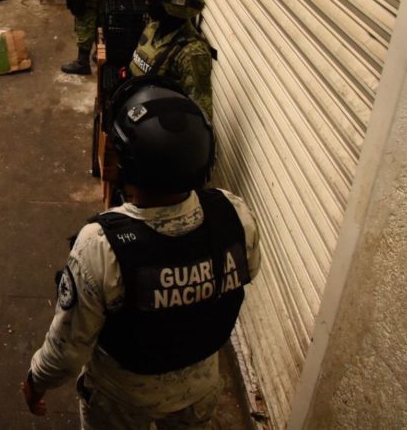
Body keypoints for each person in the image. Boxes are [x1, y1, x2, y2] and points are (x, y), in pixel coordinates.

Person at [22, 77, 260, 429]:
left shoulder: (100, 247)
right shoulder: (235, 214)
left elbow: (67, 351)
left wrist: (34, 383)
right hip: (199, 393)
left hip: (122, 401)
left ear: (128, 166)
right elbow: (246, 273)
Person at [129, 0, 214, 119]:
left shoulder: (192, 53)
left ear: (174, 4)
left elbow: (199, 116)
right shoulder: (153, 28)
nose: (147, 0)